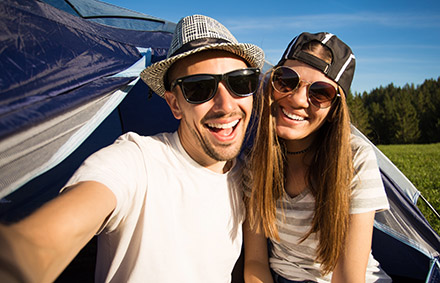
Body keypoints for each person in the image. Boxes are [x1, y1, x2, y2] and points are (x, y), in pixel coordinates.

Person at [0, 14, 264, 283]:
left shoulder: (246, 176)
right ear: (174, 105)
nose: (226, 105)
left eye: (239, 82)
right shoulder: (136, 161)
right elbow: (40, 244)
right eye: (200, 88)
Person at [242, 32, 392, 283]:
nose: (297, 99)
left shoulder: (355, 159)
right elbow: (255, 261)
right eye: (287, 80)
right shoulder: (255, 162)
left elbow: (348, 277)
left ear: (335, 110)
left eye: (320, 92)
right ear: (271, 84)